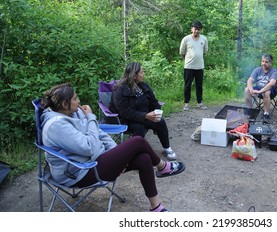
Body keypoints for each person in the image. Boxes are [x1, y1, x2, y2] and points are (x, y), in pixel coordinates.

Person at [40, 83, 185, 212]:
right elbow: (89, 147)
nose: (78, 101)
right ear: (65, 104)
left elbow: (98, 133)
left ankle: (156, 208)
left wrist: (117, 156)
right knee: (138, 141)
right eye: (75, 99)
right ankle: (162, 167)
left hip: (96, 160)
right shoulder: (56, 125)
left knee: (144, 158)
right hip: (78, 172)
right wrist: (91, 117)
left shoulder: (75, 112)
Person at [109, 62, 177, 161]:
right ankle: (135, 157)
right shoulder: (119, 90)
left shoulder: (143, 86)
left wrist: (157, 112)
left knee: (160, 122)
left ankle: (167, 148)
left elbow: (154, 102)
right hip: (125, 119)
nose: (143, 74)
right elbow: (125, 112)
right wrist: (145, 116)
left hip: (144, 116)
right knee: (139, 128)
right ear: (134, 75)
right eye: (141, 72)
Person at [179, 20, 208, 111]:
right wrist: (188, 59)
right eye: (195, 29)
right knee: (187, 85)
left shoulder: (204, 39)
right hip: (189, 66)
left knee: (199, 85)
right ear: (192, 29)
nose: (197, 31)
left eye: (199, 29)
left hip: (199, 66)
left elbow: (205, 51)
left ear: (200, 30)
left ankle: (199, 103)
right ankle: (186, 103)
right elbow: (182, 52)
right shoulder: (186, 39)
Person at [244, 53, 277, 124]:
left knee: (266, 92)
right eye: (263, 61)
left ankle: (266, 114)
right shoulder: (257, 70)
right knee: (246, 89)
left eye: (266, 62)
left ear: (271, 63)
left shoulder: (274, 71)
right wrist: (251, 89)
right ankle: (249, 110)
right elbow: (250, 80)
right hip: (258, 88)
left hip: (270, 90)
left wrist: (260, 91)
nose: (264, 63)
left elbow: (272, 83)